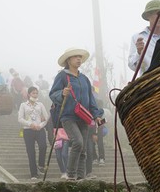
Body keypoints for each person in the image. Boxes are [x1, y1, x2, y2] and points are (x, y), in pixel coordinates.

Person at [49, 47, 104, 181]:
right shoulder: (62, 76)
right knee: (78, 142)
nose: (79, 59)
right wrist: (61, 93)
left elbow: (91, 98)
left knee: (83, 149)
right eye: (75, 57)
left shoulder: (84, 78)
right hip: (68, 116)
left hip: (84, 117)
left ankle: (81, 177)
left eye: (80, 57)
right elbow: (53, 94)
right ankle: (70, 175)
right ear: (68, 60)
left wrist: (96, 114)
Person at [127, 0, 160, 77]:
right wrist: (139, 53)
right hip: (148, 83)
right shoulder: (137, 37)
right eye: (157, 13)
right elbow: (132, 66)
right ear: (148, 16)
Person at [18, 86, 49, 180]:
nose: (35, 95)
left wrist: (41, 125)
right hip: (28, 130)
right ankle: (33, 173)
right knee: (31, 152)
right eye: (33, 93)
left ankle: (41, 165)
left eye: (36, 93)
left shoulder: (40, 104)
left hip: (39, 129)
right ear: (29, 94)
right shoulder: (23, 105)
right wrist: (30, 124)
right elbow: (20, 118)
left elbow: (46, 117)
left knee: (43, 146)